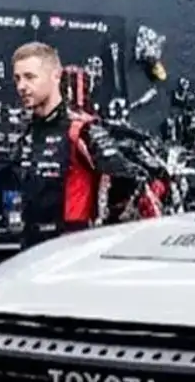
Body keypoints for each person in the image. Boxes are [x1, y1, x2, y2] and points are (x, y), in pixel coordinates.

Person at [11, 41, 144, 250]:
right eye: (17, 78)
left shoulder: (81, 129)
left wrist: (103, 230)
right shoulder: (26, 133)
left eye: (30, 77)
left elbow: (128, 178)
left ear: (55, 76)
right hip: (31, 249)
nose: (21, 86)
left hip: (71, 248)